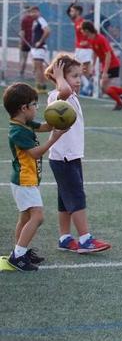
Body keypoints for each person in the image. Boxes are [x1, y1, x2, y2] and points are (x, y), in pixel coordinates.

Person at [45, 54, 111, 254]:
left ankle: (65, 238)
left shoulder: (70, 95)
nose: (78, 80)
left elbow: (68, 90)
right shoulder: (57, 96)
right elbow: (63, 90)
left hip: (70, 156)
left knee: (65, 200)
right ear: (61, 77)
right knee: (76, 197)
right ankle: (85, 239)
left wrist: (64, 79)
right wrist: (59, 77)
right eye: (74, 76)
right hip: (63, 157)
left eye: (79, 76)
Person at [3, 82, 67, 271]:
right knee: (37, 217)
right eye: (34, 104)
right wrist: (54, 139)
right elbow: (35, 153)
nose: (37, 108)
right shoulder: (18, 131)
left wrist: (59, 116)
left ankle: (20, 252)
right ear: (24, 108)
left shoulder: (25, 123)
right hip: (24, 181)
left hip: (27, 180)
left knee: (25, 218)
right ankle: (18, 256)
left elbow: (46, 126)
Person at [81, 21, 122, 111]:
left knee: (105, 87)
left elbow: (108, 55)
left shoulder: (101, 38)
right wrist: (93, 66)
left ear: (86, 30)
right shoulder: (91, 39)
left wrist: (105, 72)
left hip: (112, 65)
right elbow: (95, 53)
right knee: (104, 88)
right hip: (106, 65)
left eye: (82, 30)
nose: (81, 32)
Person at [66, 2, 94, 96]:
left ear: (77, 12)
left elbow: (92, 34)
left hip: (85, 49)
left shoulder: (83, 22)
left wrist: (87, 42)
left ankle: (88, 87)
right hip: (79, 49)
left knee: (83, 69)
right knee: (79, 69)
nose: (71, 13)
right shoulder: (76, 21)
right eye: (71, 11)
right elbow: (67, 12)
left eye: (72, 11)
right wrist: (72, 4)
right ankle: (88, 86)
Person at [29, 6, 51, 93]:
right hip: (36, 48)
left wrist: (40, 42)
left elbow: (47, 31)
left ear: (38, 12)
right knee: (38, 67)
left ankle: (40, 86)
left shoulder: (41, 20)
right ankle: (42, 86)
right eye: (31, 12)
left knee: (38, 67)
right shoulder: (35, 21)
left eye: (34, 12)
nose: (32, 14)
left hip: (39, 48)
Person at [18, 7, 36, 78]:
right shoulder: (34, 19)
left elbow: (23, 32)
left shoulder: (24, 19)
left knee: (24, 58)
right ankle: (34, 73)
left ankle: (21, 73)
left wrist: (21, 42)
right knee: (33, 58)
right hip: (32, 42)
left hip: (27, 42)